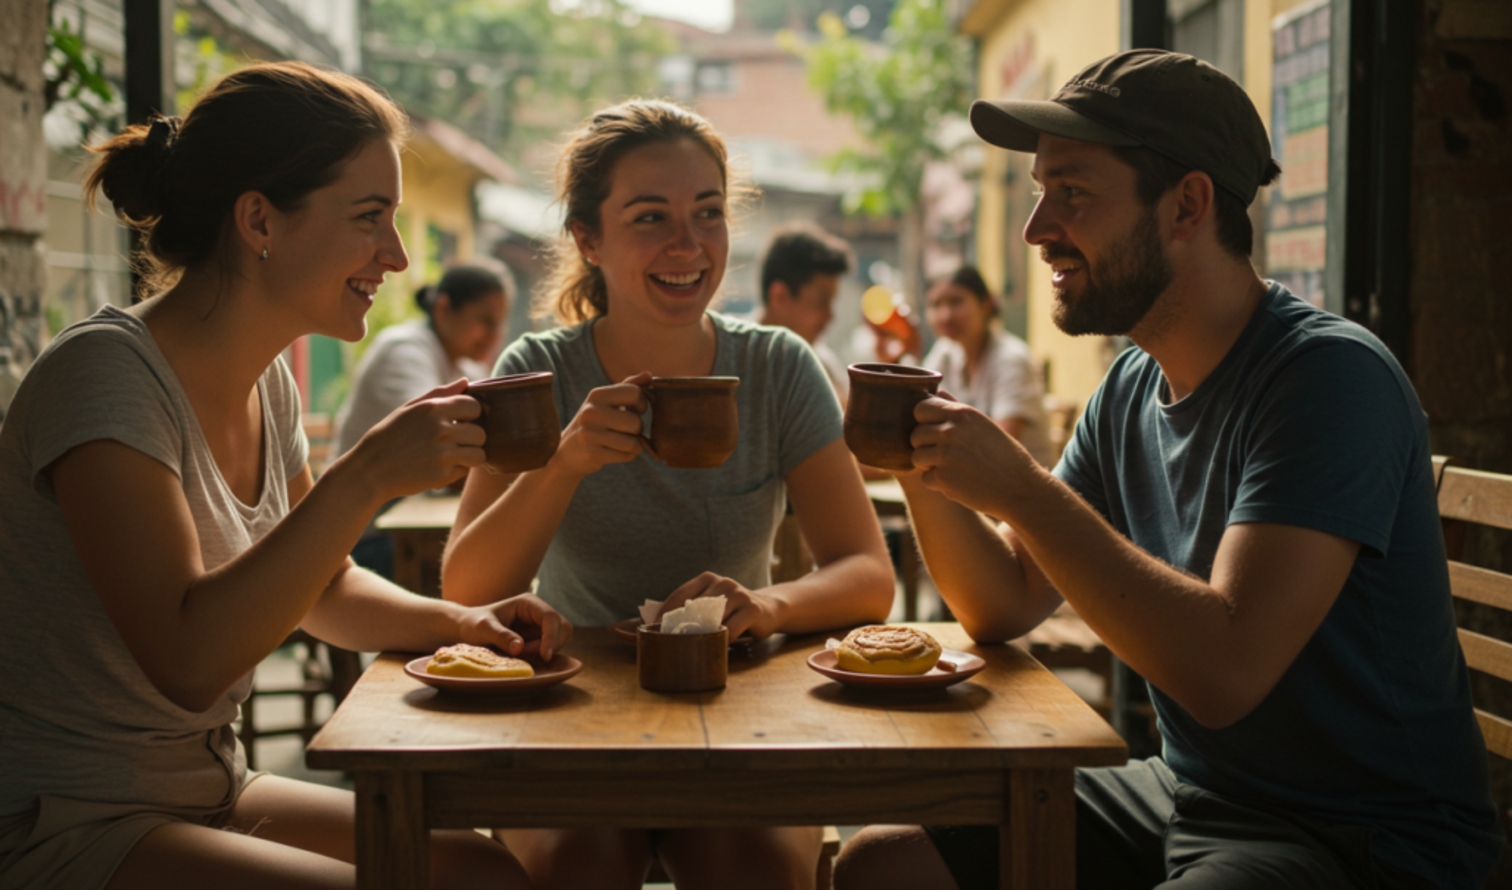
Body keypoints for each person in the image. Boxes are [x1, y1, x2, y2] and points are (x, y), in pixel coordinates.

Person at [835, 50, 1500, 890]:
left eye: (1071, 193)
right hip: (1193, 792)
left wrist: (1019, 488)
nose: (1038, 229)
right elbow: (1001, 603)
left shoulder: (1329, 378)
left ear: (1187, 204)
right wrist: (919, 460)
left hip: (1361, 837)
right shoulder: (1132, 384)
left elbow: (1226, 672)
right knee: (884, 864)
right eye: (1039, 192)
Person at [0, 61, 571, 890]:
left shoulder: (266, 380)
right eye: (370, 217)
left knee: (486, 874)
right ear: (259, 220)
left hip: (206, 790)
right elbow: (189, 660)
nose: (400, 257)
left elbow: (325, 590)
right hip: (69, 821)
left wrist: (462, 622)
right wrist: (366, 475)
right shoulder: (105, 377)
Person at [442, 98, 894, 890]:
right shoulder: (537, 367)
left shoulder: (779, 367)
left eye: (708, 214)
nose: (688, 245)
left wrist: (770, 606)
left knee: (748, 871)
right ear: (589, 238)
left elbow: (868, 573)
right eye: (651, 217)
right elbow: (467, 589)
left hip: (737, 713)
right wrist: (564, 464)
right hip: (569, 711)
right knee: (576, 870)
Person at [333, 264, 510, 577]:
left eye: (499, 323)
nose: (494, 335)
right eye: (484, 321)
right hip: (365, 543)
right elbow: (444, 440)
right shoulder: (403, 351)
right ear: (443, 308)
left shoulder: (465, 366)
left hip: (411, 532)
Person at [920, 266, 1053, 466]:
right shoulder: (944, 353)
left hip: (1019, 487)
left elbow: (999, 449)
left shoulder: (1011, 359)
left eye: (956, 302)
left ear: (986, 304)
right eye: (935, 305)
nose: (945, 315)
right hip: (967, 480)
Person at [756, 222, 853, 401]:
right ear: (779, 296)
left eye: (831, 303)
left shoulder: (823, 367)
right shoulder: (733, 360)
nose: (830, 317)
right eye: (821, 302)